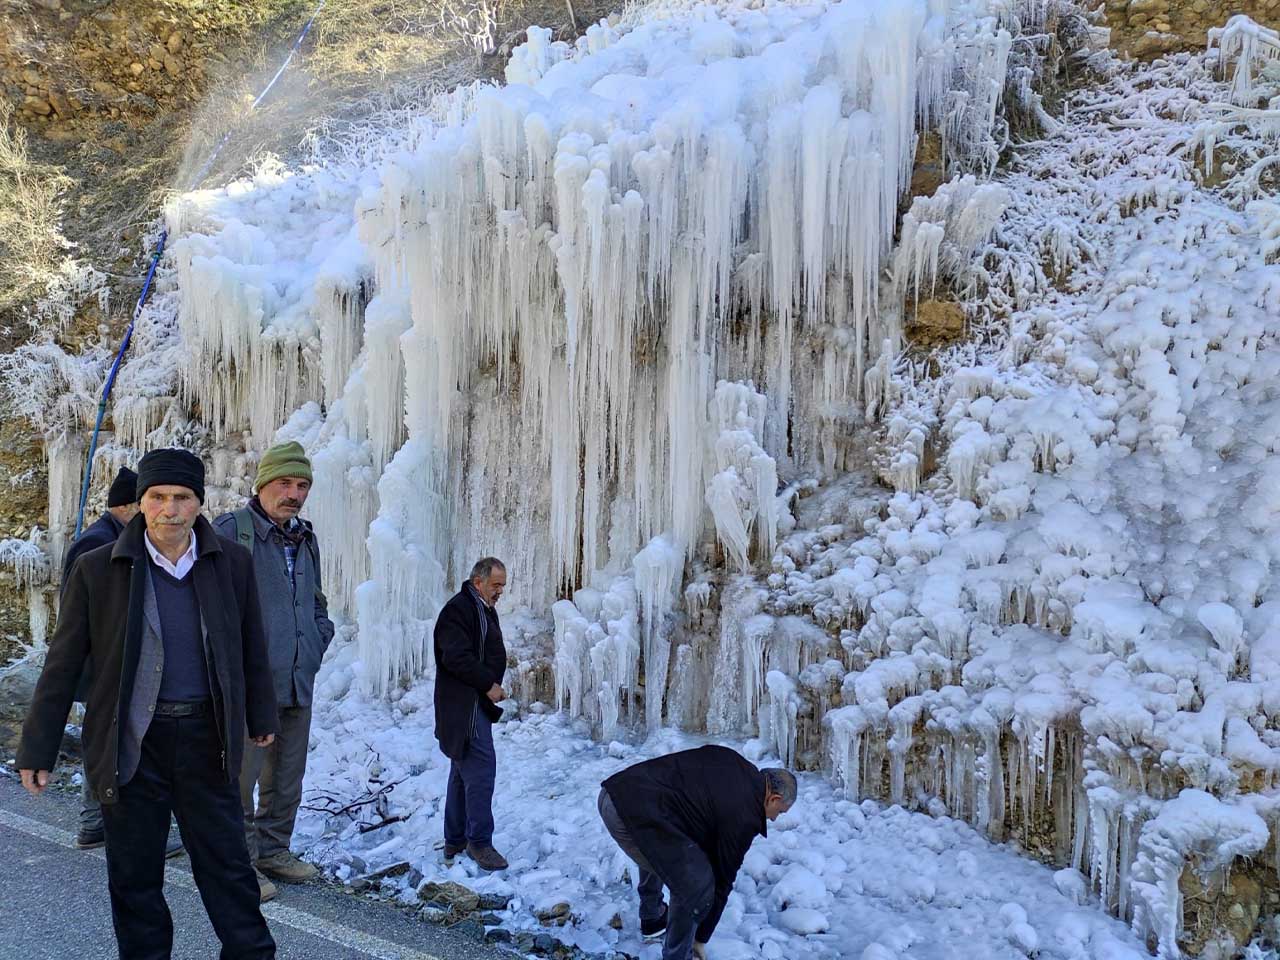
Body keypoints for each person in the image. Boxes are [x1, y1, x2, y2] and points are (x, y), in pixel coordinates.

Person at [18, 447, 279, 960]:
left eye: (182, 498)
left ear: (199, 504)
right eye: (157, 497)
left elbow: (250, 642)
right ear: (140, 504)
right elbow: (64, 662)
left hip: (208, 743)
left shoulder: (232, 564)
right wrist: (37, 746)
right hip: (133, 744)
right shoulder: (100, 569)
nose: (170, 510)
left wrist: (261, 713)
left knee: (228, 869)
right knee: (135, 878)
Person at [213, 440, 334, 902]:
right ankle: (239, 865)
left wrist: (319, 639)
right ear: (263, 483)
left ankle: (274, 851)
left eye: (302, 485)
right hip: (248, 687)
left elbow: (317, 601)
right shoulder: (231, 532)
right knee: (240, 779)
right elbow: (211, 610)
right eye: (285, 482)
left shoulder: (305, 537)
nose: (294, 493)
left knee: (287, 776)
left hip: (298, 680)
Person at [598, 746, 797, 960]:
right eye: (780, 812)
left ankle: (652, 917)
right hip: (625, 815)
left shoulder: (734, 761)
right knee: (694, 884)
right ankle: (678, 955)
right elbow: (722, 880)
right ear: (774, 798)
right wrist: (700, 938)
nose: (775, 819)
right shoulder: (744, 816)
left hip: (620, 790)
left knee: (663, 848)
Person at [433, 557, 509, 872]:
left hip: (471, 704)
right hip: (466, 706)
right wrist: (488, 684)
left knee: (462, 772)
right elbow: (456, 657)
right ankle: (479, 842)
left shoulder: (479, 607)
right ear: (478, 582)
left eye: (503, 585)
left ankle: (455, 839)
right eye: (496, 585)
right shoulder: (459, 610)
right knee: (480, 772)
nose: (500, 591)